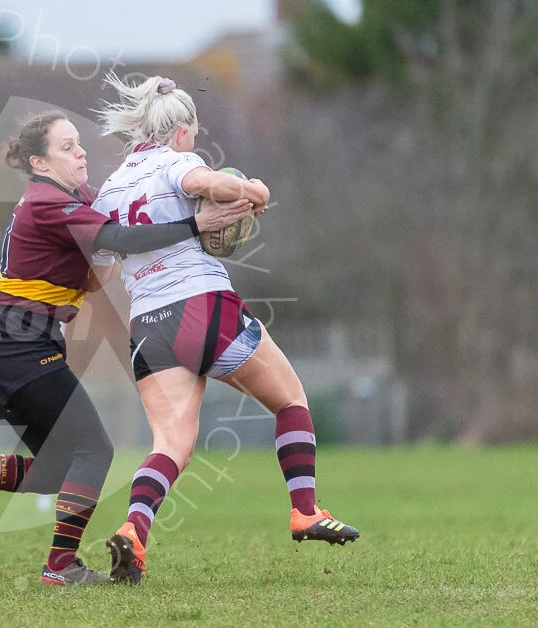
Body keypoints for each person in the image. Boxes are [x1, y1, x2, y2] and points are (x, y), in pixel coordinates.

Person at [0, 112, 254, 586]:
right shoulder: (48, 201)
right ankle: (60, 566)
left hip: (13, 342)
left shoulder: (72, 198)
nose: (81, 151)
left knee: (56, 468)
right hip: (15, 343)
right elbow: (118, 237)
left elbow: (113, 233)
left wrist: (188, 188)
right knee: (94, 449)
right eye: (67, 146)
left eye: (79, 143)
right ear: (39, 162)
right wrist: (196, 224)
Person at [89, 75, 361, 585]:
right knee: (290, 399)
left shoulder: (108, 190)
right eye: (193, 132)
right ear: (182, 131)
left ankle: (133, 530)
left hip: (147, 325)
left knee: (171, 442)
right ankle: (305, 511)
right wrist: (252, 191)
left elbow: (95, 268)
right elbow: (205, 185)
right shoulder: (176, 161)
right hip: (202, 306)